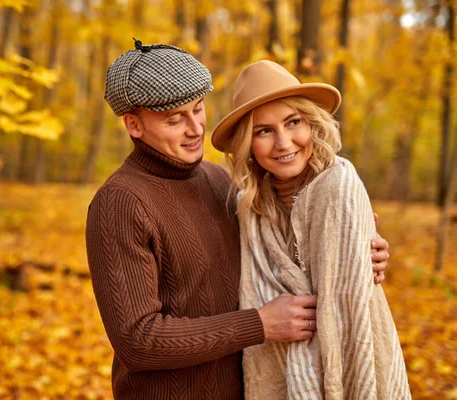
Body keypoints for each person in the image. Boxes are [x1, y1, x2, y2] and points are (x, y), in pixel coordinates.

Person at [85, 40, 390, 400]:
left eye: (197, 110)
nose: (195, 129)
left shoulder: (218, 181)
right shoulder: (120, 202)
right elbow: (138, 341)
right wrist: (259, 324)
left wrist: (351, 249)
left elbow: (274, 253)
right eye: (174, 119)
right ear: (134, 125)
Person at [211, 60, 410, 399]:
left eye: (293, 122)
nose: (284, 142)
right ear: (248, 144)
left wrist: (362, 246)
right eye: (263, 131)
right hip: (279, 374)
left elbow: (348, 306)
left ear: (312, 123)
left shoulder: (338, 183)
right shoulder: (250, 208)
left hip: (351, 367)